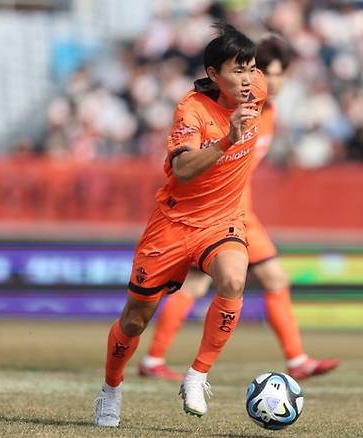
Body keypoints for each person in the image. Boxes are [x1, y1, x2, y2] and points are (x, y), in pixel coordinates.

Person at [138, 35, 339, 383]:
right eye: (266, 72)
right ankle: (156, 358)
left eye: (278, 75)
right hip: (216, 213)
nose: (270, 81)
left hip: (238, 211)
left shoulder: (267, 112)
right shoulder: (219, 107)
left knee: (257, 279)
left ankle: (296, 359)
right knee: (201, 284)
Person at [94, 23, 266, 427]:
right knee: (135, 319)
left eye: (252, 69)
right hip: (173, 224)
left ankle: (197, 375)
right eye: (237, 71)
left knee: (234, 280)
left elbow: (273, 74)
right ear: (213, 74)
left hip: (223, 221)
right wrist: (228, 139)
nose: (248, 79)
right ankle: (111, 388)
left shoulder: (257, 88)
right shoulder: (191, 110)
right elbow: (183, 170)